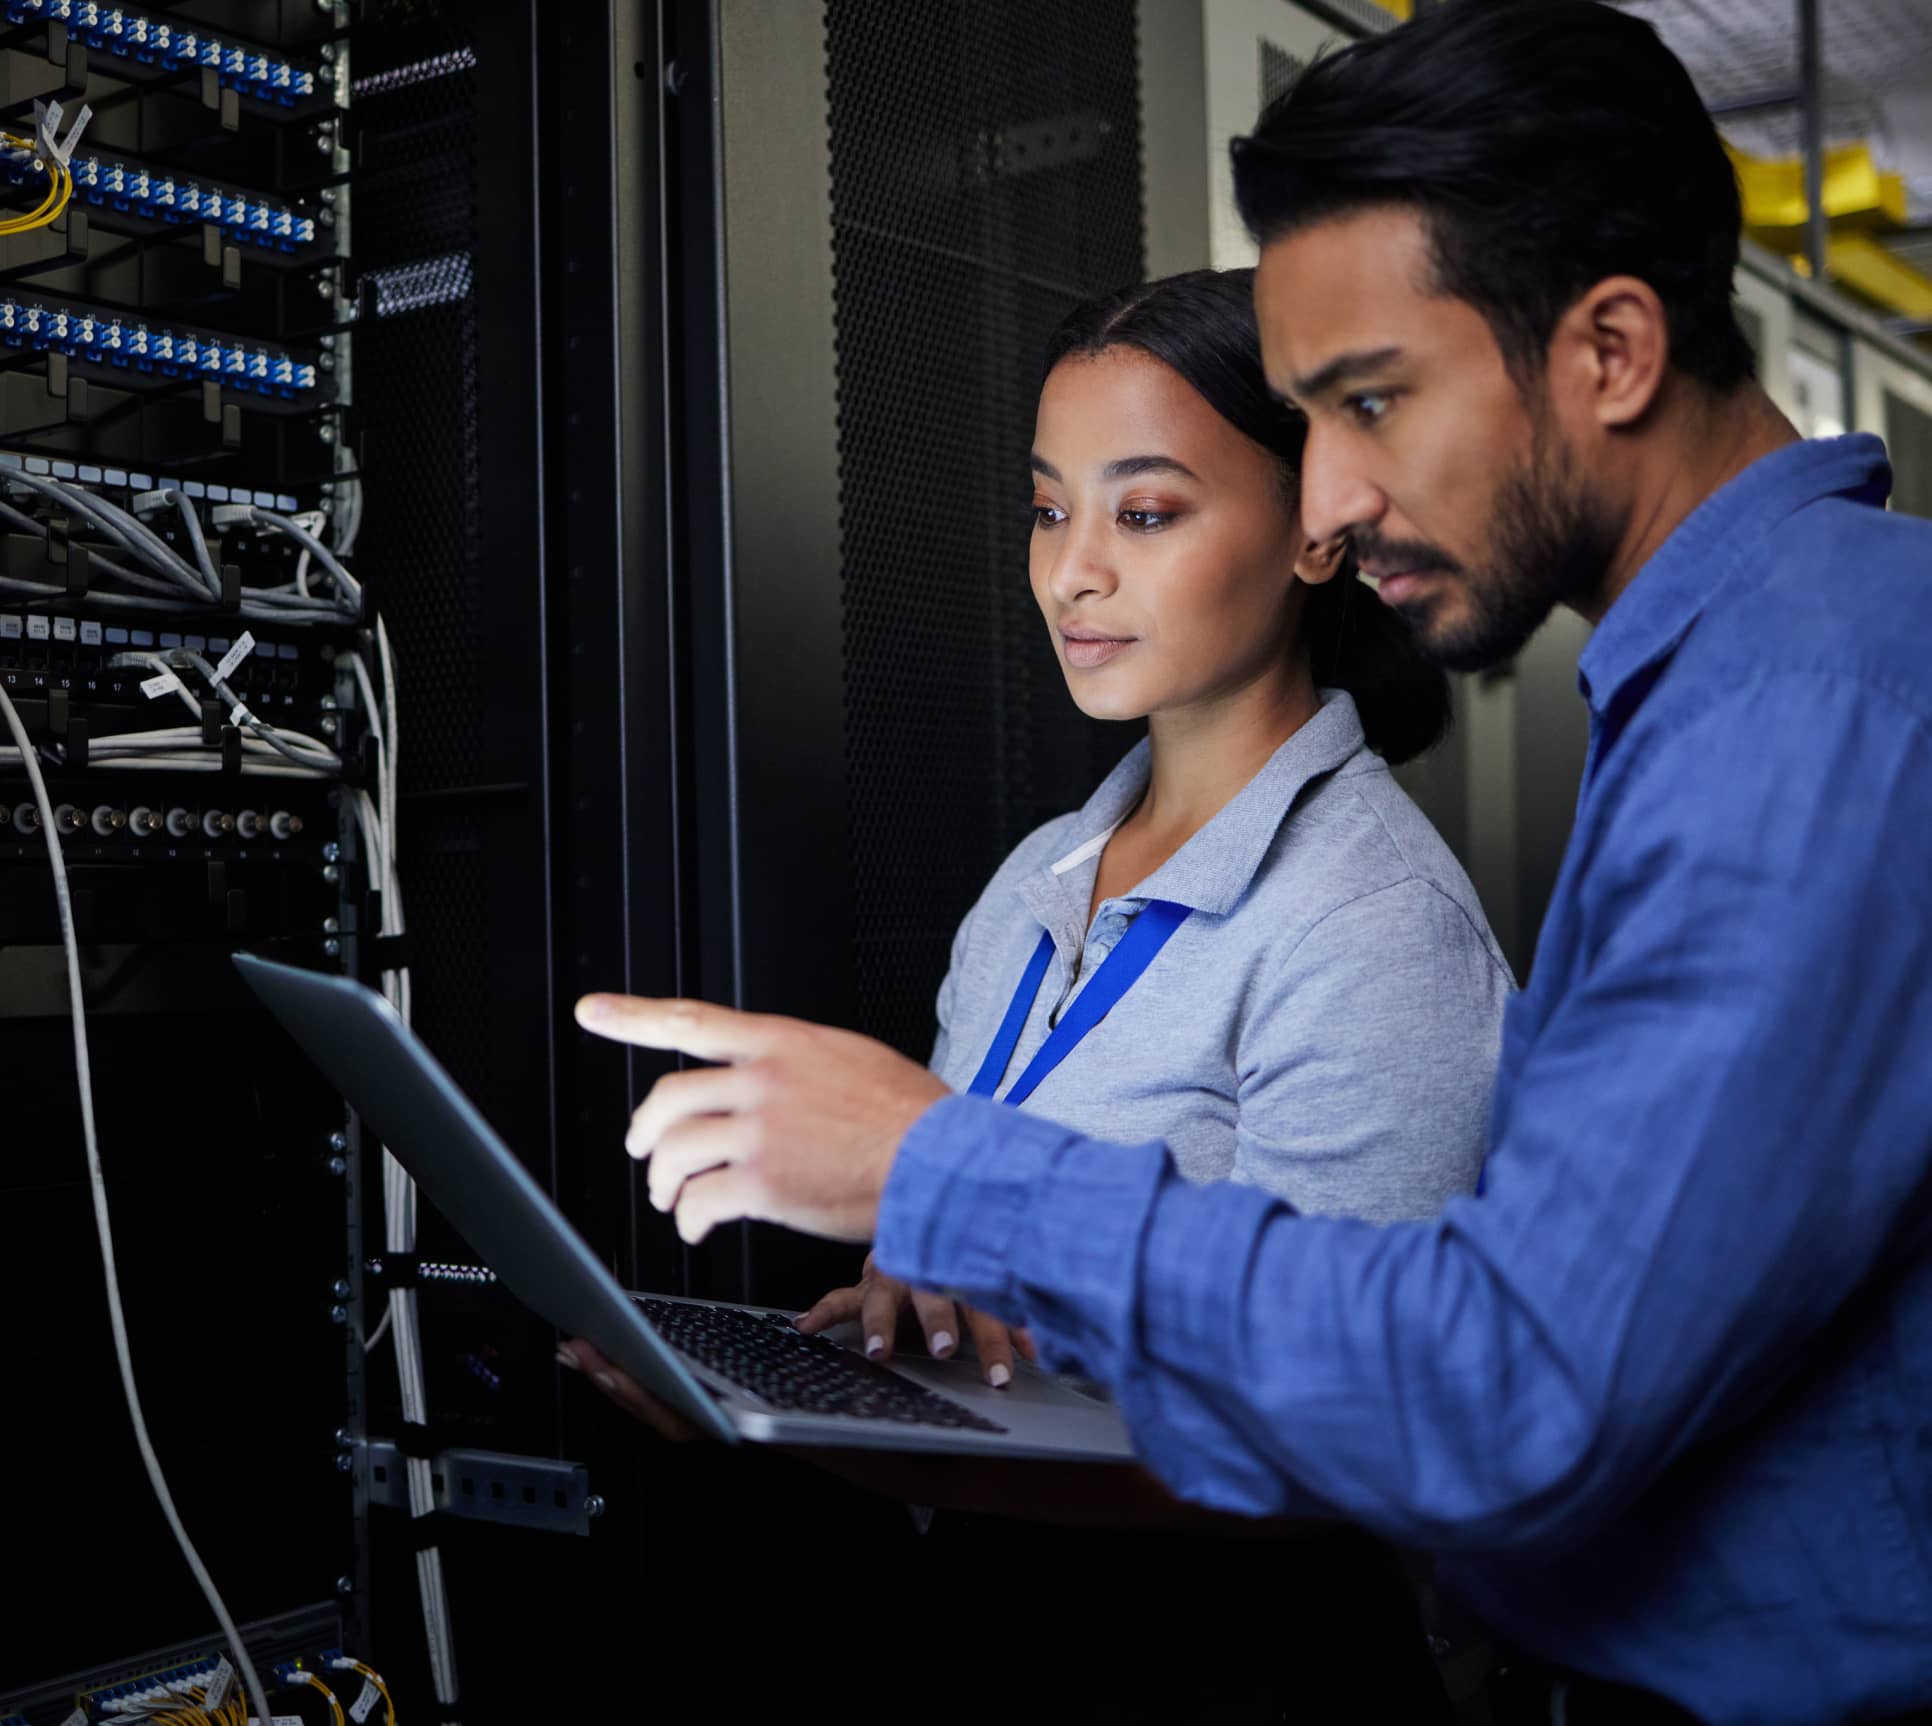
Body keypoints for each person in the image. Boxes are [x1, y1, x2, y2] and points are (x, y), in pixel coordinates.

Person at [574, 3, 1932, 1722]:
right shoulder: (1738, 689)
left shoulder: (1802, 708)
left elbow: (1499, 1393)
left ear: (1607, 351)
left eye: (1370, 403)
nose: (1336, 499)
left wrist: (948, 1170)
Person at [792, 267, 1510, 1390]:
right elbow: (968, 1304)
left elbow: (1345, 1417)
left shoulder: (1376, 930)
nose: (1072, 573)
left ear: (1315, 533)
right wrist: (868, 1361)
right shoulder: (1031, 885)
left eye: (1144, 513)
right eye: (1048, 509)